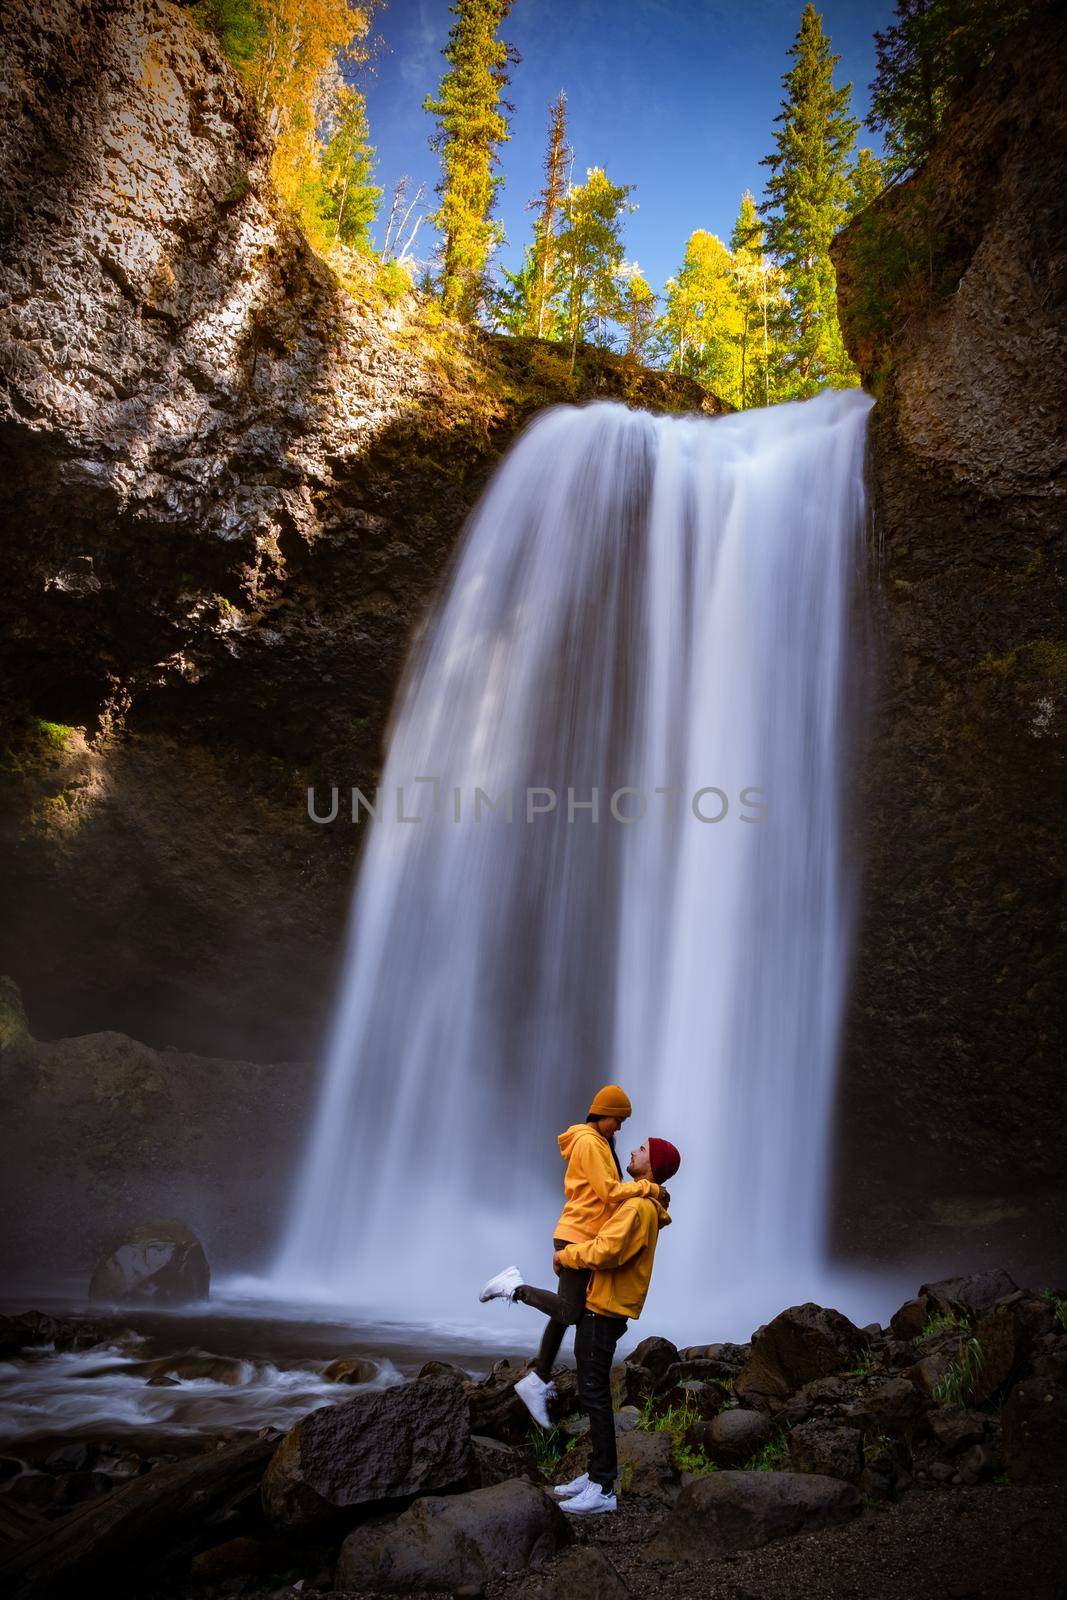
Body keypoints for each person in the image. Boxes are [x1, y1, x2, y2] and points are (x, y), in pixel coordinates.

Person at [479, 1085, 664, 1427]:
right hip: (576, 1236)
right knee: (569, 1310)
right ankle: (513, 1286)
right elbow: (609, 1193)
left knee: (566, 1312)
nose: (620, 1128)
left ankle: (538, 1378)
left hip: (583, 1235)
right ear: (602, 1113)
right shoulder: (589, 1144)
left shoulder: (601, 1144)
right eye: (618, 1121)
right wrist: (649, 1187)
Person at [550, 1135, 680, 1517]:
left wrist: (566, 1256)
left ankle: (603, 1487)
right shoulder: (641, 1205)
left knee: (593, 1393)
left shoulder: (638, 1207)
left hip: (604, 1308)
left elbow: (606, 1250)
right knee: (594, 1390)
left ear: (652, 1166)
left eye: (642, 1149)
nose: (635, 1150)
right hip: (606, 1304)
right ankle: (595, 1474)